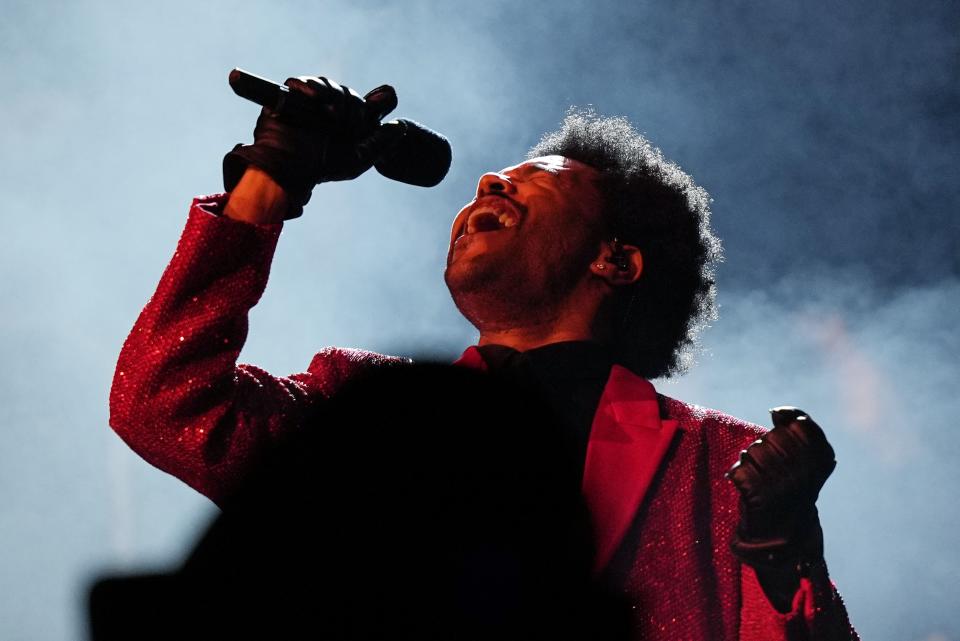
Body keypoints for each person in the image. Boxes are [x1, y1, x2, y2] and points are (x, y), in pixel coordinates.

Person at [109, 76, 858, 639]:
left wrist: (785, 551)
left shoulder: (727, 467)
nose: (489, 180)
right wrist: (268, 186)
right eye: (495, 178)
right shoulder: (362, 405)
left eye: (538, 180)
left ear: (617, 261)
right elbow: (163, 403)